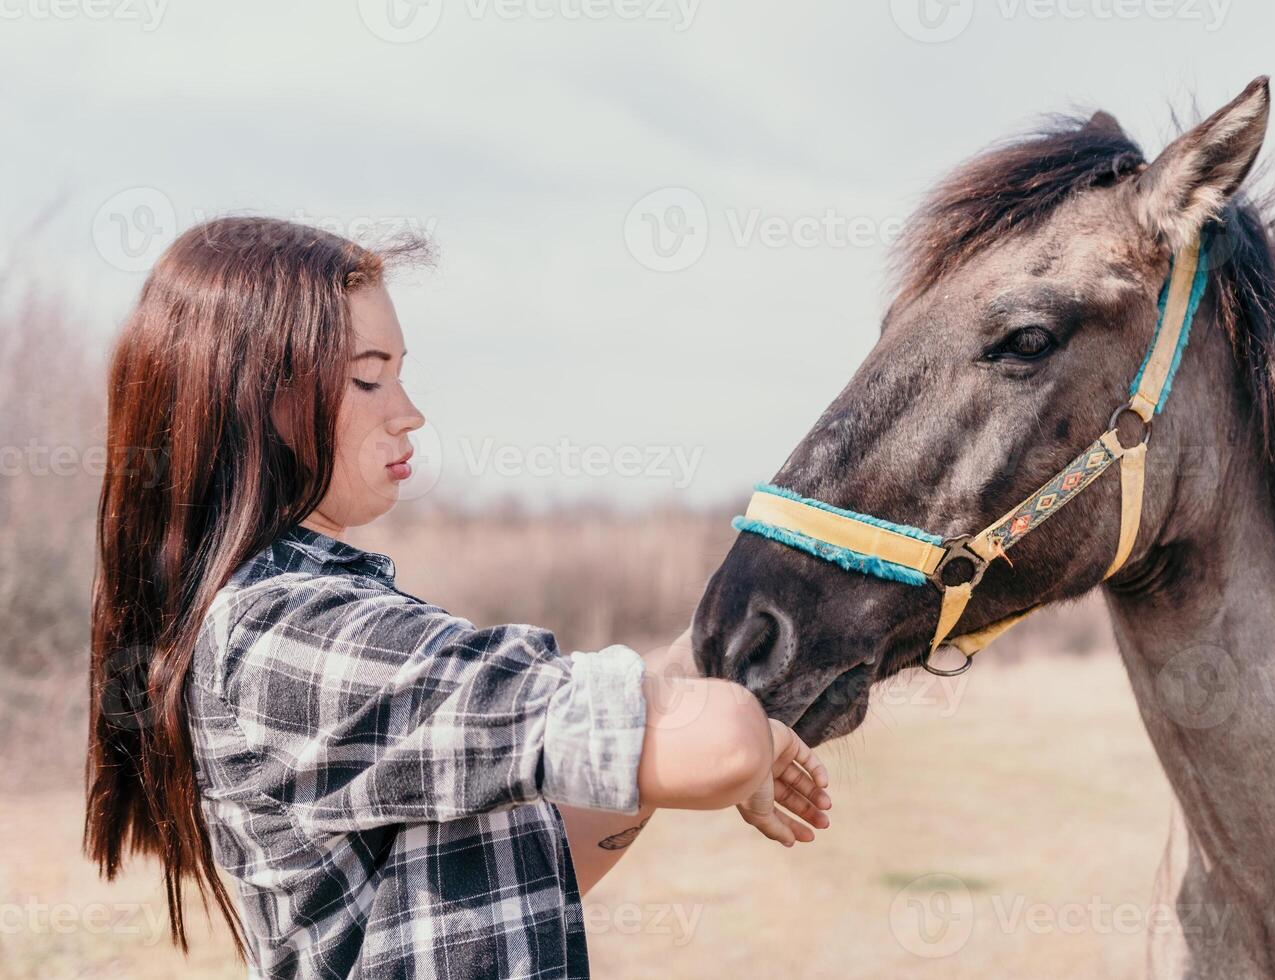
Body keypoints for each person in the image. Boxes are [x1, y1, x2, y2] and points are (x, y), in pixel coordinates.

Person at [84, 217, 832, 979]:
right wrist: (753, 738)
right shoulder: (288, 634)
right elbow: (723, 746)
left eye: (400, 373)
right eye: (368, 378)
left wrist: (686, 673)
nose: (409, 411)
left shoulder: (295, 615)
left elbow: (523, 870)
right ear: (256, 399)